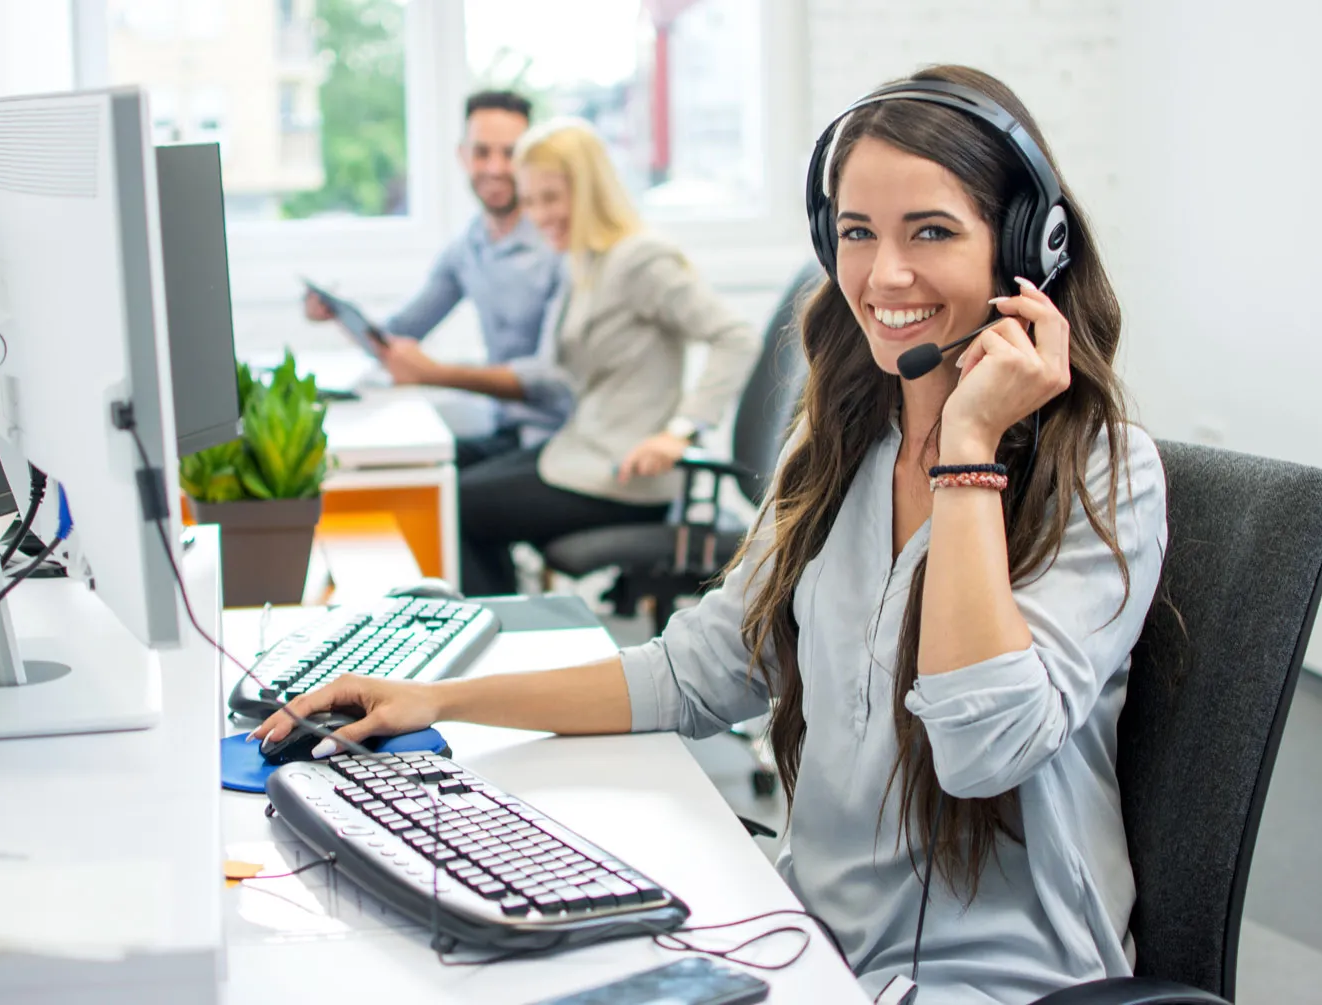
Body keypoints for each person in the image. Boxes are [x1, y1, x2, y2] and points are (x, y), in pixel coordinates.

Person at [255, 65, 1167, 1004]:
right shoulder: (844, 448)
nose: (885, 275)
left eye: (930, 231)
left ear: (1027, 247)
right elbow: (698, 670)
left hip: (992, 980)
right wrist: (441, 700)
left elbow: (984, 754)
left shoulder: (1104, 475)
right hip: (812, 935)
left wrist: (969, 451)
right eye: (857, 233)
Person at [372, 117, 760, 596]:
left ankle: (498, 647)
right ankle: (502, 632)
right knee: (448, 490)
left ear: (591, 190)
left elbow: (734, 335)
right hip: (582, 452)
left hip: (624, 475)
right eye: (530, 200)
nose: (537, 215)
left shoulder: (640, 259)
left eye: (551, 199)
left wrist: (680, 431)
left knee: (457, 508)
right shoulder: (584, 260)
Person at [303, 90, 564, 467]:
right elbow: (400, 335)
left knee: (447, 498)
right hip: (504, 433)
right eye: (481, 152)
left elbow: (551, 377)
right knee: (392, 473)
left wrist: (436, 374)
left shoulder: (557, 244)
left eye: (510, 153)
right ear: (462, 156)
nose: (494, 168)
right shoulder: (468, 248)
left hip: (553, 440)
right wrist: (339, 315)